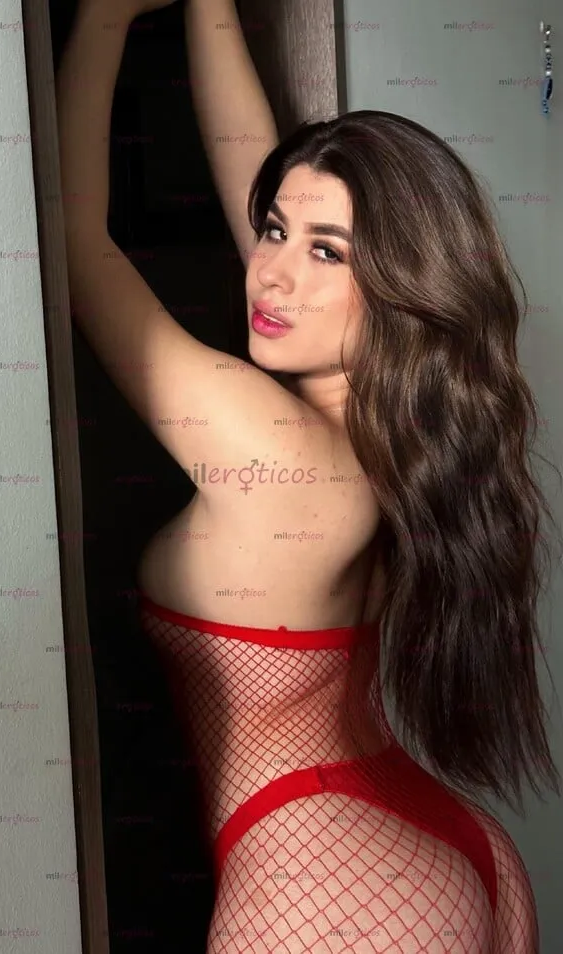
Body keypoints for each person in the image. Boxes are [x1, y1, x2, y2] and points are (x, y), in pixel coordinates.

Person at [56, 0, 562, 950]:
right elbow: (270, 197)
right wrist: (210, 8)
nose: (271, 273)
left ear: (402, 283)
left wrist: (105, 20)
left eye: (325, 250)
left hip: (328, 876)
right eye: (272, 230)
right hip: (438, 844)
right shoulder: (403, 429)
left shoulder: (278, 451)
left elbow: (75, 249)